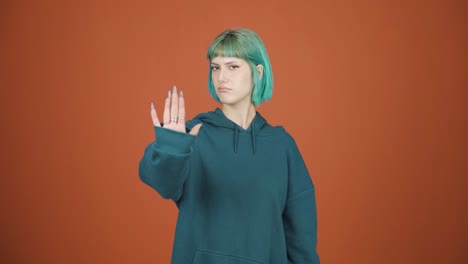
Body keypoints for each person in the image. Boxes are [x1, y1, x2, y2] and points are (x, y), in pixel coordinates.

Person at [139, 28, 320, 264]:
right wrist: (172, 147)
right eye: (216, 67)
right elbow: (161, 182)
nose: (221, 77)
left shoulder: (281, 146)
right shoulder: (193, 135)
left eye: (232, 66)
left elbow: (301, 239)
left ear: (258, 72)